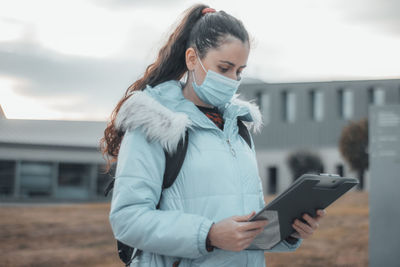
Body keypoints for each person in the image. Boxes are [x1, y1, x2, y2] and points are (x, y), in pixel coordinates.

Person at [100, 4, 327, 267]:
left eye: (240, 71)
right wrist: (208, 235)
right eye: (224, 68)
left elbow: (246, 227)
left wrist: (288, 231)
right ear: (192, 59)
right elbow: (128, 219)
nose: (233, 80)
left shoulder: (238, 127)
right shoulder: (154, 122)